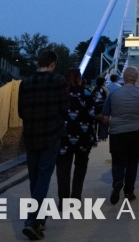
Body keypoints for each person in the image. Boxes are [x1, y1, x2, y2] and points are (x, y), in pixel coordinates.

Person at [17, 49, 68, 241]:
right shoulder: (58, 81)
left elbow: (21, 111)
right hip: (50, 135)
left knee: (35, 178)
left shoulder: (26, 83)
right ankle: (32, 220)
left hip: (31, 135)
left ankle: (38, 219)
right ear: (53, 64)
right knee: (44, 177)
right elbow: (64, 107)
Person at [100, 66, 139, 204]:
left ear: (124, 78)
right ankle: (128, 192)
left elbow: (105, 116)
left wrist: (103, 133)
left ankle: (117, 181)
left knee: (117, 161)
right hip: (137, 132)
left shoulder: (113, 94)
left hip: (117, 133)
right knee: (132, 162)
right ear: (136, 78)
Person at [56, 68, 97, 207]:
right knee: (80, 166)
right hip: (83, 137)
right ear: (79, 78)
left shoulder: (60, 93)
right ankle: (76, 196)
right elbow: (92, 113)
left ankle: (63, 200)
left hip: (63, 137)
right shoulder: (86, 93)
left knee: (63, 169)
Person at [91, 76, 109, 141]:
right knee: (102, 121)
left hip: (95, 107)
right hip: (103, 107)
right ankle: (101, 135)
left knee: (95, 122)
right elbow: (108, 98)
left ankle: (94, 134)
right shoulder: (105, 89)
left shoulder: (94, 89)